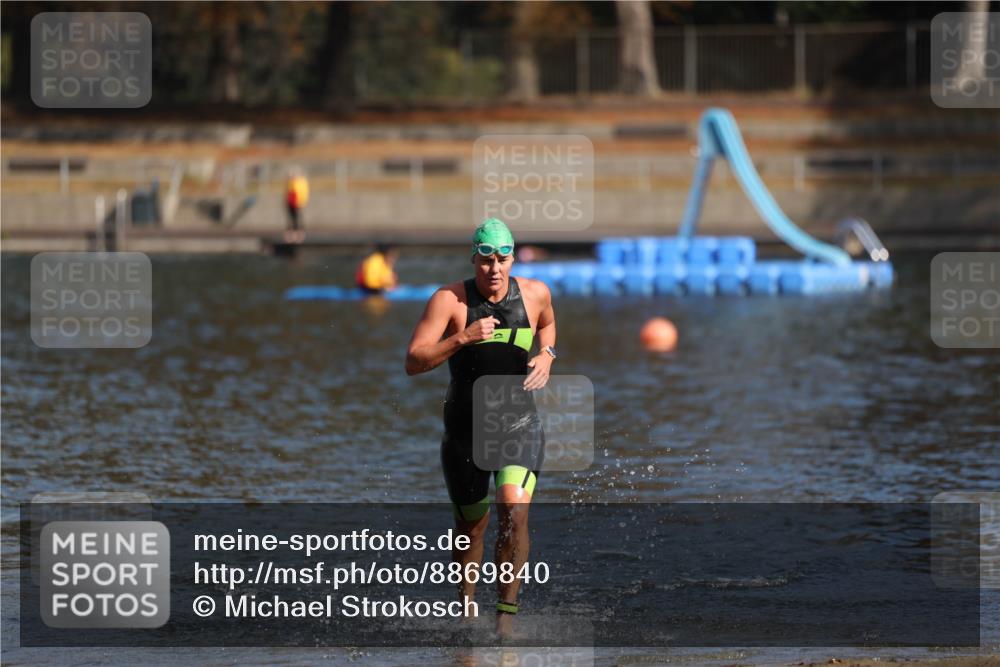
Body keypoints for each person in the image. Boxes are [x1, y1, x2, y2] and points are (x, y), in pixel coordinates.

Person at [404, 218, 557, 636]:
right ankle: (467, 609)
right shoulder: (448, 301)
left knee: (513, 507)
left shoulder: (536, 293)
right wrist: (462, 338)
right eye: (486, 259)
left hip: (519, 424)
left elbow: (546, 325)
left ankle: (505, 618)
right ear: (474, 258)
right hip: (465, 431)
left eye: (502, 259)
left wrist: (548, 354)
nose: (494, 269)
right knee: (471, 526)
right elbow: (414, 361)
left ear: (512, 258)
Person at [284, 168, 309, 243]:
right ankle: (292, 235)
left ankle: (299, 235)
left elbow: (303, 193)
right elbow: (288, 193)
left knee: (297, 218)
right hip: (291, 202)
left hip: (298, 203)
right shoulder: (291, 182)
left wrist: (302, 202)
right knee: (291, 218)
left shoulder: (301, 182)